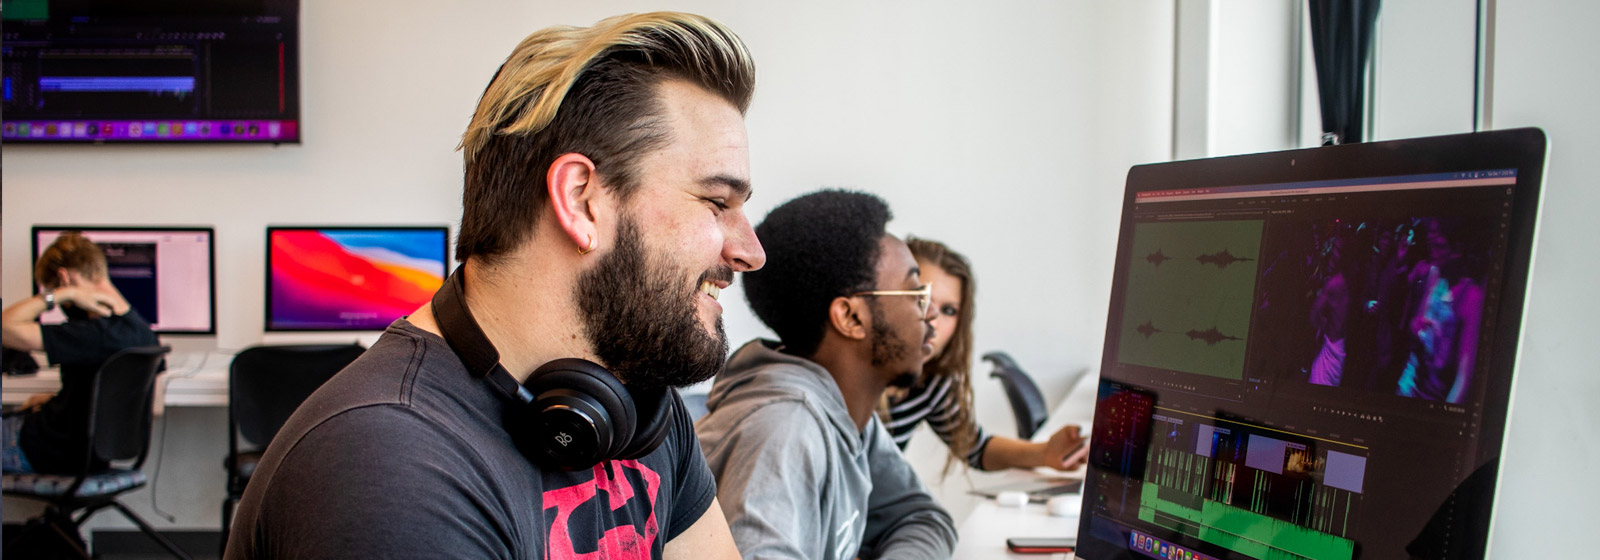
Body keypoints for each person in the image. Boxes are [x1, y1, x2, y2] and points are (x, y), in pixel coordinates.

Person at [225, 12, 763, 559]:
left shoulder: (639, 407)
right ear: (581, 201)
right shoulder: (388, 471)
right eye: (717, 202)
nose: (751, 252)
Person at [696, 190, 957, 560]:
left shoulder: (846, 411)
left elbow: (923, 517)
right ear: (851, 318)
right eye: (915, 293)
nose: (929, 316)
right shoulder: (785, 428)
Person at [879, 237, 1087, 474]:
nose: (933, 318)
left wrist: (1044, 453)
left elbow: (975, 448)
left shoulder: (932, 380)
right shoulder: (849, 381)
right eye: (921, 298)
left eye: (949, 310)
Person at [2, 232, 158, 474]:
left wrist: (66, 294)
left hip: (46, 449)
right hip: (89, 454)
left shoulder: (93, 334)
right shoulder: (143, 333)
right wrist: (56, 400)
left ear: (64, 277)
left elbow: (5, 328)